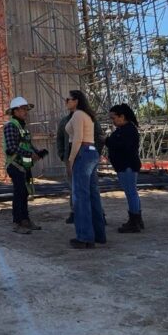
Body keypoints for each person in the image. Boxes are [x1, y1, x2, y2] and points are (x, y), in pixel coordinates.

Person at [64, 89, 105, 248]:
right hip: (91, 152)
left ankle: (84, 237)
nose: (66, 102)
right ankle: (98, 234)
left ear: (76, 100)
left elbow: (78, 138)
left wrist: (71, 158)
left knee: (80, 197)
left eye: (68, 99)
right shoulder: (86, 115)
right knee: (93, 195)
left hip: (82, 152)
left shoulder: (78, 115)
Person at [57, 98, 107, 224]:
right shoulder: (64, 121)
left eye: (70, 99)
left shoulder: (90, 119)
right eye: (66, 100)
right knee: (73, 187)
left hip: (86, 158)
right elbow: (60, 139)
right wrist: (63, 155)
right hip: (71, 159)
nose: (67, 102)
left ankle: (98, 215)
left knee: (91, 188)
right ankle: (75, 212)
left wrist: (95, 154)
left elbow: (99, 137)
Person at [3, 96, 48, 234]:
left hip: (24, 165)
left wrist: (37, 152)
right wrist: (30, 155)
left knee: (24, 193)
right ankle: (17, 222)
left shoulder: (23, 127)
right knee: (19, 192)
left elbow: (28, 144)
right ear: (15, 111)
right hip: (15, 165)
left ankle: (25, 220)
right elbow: (11, 147)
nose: (26, 112)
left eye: (26, 109)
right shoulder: (11, 126)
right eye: (23, 109)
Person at [106, 103, 144, 233]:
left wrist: (107, 141)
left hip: (127, 166)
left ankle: (134, 221)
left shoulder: (128, 130)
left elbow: (121, 146)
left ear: (122, 116)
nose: (113, 121)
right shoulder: (125, 130)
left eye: (114, 118)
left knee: (131, 193)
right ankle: (137, 219)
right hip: (126, 165)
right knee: (132, 192)